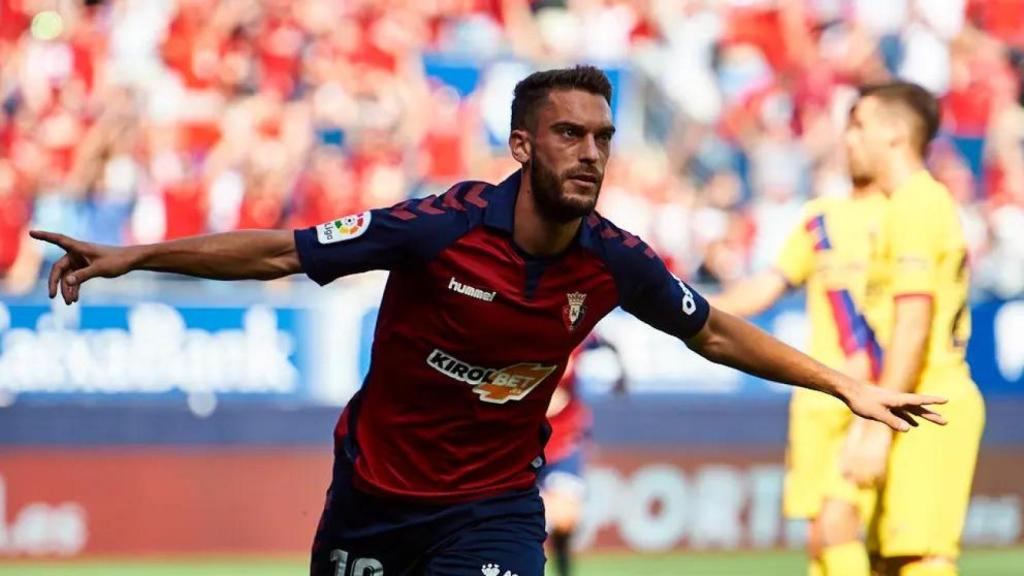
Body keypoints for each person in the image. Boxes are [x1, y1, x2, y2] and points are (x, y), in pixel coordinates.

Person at [31, 66, 946, 576]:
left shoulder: (614, 257)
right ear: (521, 145)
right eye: (569, 135)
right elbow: (281, 250)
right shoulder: (436, 230)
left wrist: (842, 383)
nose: (591, 154)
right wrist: (134, 256)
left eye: (603, 138)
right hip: (374, 501)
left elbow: (708, 327)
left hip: (495, 509)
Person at [840, 81, 985, 576]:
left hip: (930, 403)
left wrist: (877, 426)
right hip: (913, 403)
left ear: (896, 134)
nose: (848, 139)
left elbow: (913, 323)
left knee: (920, 560)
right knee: (885, 561)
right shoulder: (903, 205)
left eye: (860, 126)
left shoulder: (917, 204)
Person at [710, 174, 888, 576]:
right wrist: (684, 305)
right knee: (818, 537)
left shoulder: (905, 215)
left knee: (843, 527)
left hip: (871, 396)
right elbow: (766, 288)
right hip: (818, 397)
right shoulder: (820, 220)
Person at [540, 334, 625, 576]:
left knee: (565, 519)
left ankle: (564, 571)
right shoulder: (519, 335)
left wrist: (622, 375)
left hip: (564, 438)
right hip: (521, 442)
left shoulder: (577, 335)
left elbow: (607, 342)